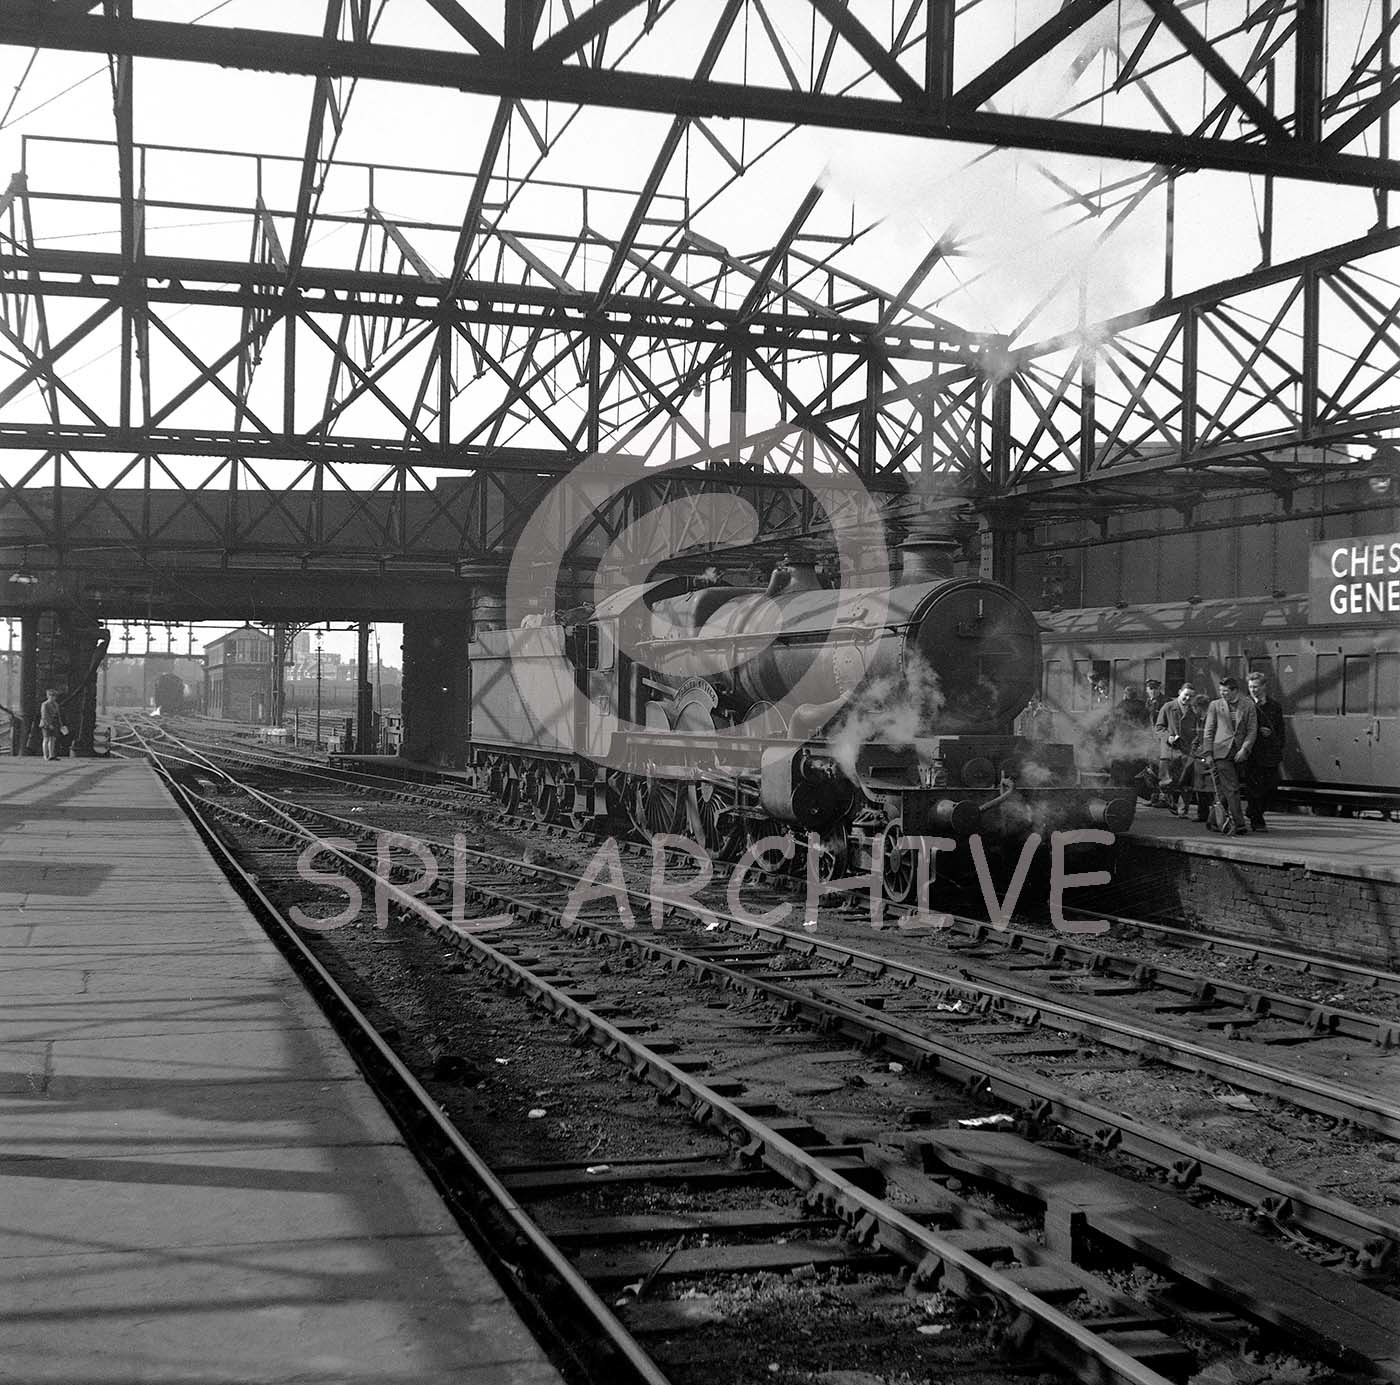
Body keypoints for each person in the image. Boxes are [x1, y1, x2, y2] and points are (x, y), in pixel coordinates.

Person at [1202, 677, 1258, 833]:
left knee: (1224, 790)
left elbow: (1252, 730)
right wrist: (1208, 753)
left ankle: (1213, 821)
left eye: (1225, 691)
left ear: (1235, 691)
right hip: (1220, 752)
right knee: (1232, 787)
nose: (1222, 694)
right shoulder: (1215, 705)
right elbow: (1209, 730)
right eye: (1221, 691)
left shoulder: (1248, 705)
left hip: (1239, 752)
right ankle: (1239, 824)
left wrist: (1244, 750)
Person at [1244, 672, 1286, 832]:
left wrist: (1275, 740)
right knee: (1253, 788)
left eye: (1255, 687)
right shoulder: (1245, 705)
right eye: (1250, 687)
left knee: (1271, 787)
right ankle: (1257, 820)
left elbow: (1281, 730)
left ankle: (1253, 811)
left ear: (1263, 687)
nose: (1253, 690)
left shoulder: (1275, 706)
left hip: (1269, 753)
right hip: (1251, 753)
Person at [1154, 683, 1198, 816]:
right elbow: (1159, 728)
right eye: (1185, 695)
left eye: (1191, 696)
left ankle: (1183, 809)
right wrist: (1168, 737)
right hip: (1170, 750)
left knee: (1186, 782)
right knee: (1167, 781)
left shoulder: (1195, 711)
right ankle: (1170, 801)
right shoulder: (1168, 707)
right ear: (1180, 692)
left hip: (1187, 750)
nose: (1187, 698)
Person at [39, 688, 67, 762]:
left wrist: (61, 725)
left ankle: (52, 755)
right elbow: (44, 716)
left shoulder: (56, 704)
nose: (53, 697)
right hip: (45, 724)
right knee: (46, 739)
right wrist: (49, 724)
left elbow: (58, 715)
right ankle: (45, 755)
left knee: (52, 739)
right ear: (48, 696)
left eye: (54, 696)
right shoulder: (44, 704)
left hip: (55, 723)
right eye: (51, 695)